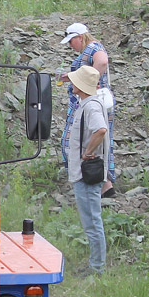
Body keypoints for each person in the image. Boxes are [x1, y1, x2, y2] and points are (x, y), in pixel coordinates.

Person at [60, 22, 116, 197]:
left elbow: (102, 61)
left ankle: (89, 181)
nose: (70, 46)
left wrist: (89, 80)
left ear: (80, 37)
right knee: (95, 140)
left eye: (71, 41)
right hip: (86, 100)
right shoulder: (89, 50)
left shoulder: (93, 47)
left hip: (89, 101)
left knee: (73, 141)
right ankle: (104, 184)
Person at [66, 65, 108, 275]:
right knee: (91, 220)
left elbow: (100, 129)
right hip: (84, 172)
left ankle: (97, 268)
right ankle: (95, 264)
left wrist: (87, 152)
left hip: (86, 173)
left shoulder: (90, 106)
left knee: (92, 221)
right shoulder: (88, 104)